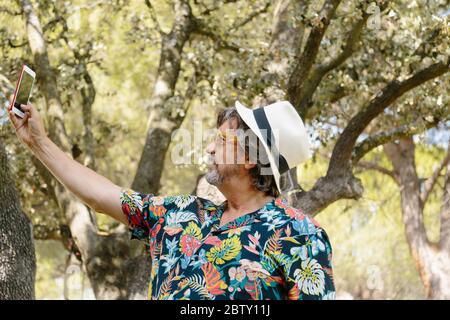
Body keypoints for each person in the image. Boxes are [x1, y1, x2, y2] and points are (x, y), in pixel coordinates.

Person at [8, 100, 335, 300]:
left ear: (250, 157)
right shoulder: (180, 214)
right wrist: (39, 142)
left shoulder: (299, 234)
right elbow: (99, 195)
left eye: (222, 140)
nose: (209, 149)